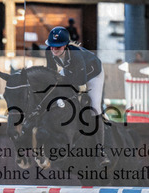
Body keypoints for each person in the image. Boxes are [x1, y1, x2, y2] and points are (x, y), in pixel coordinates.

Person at [44, 26, 109, 166]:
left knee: (94, 107)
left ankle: (100, 151)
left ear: (65, 46)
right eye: (52, 46)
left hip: (92, 73)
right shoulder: (49, 51)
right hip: (72, 71)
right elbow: (51, 73)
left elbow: (80, 81)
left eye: (58, 47)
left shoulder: (75, 55)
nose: (54, 49)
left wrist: (61, 80)